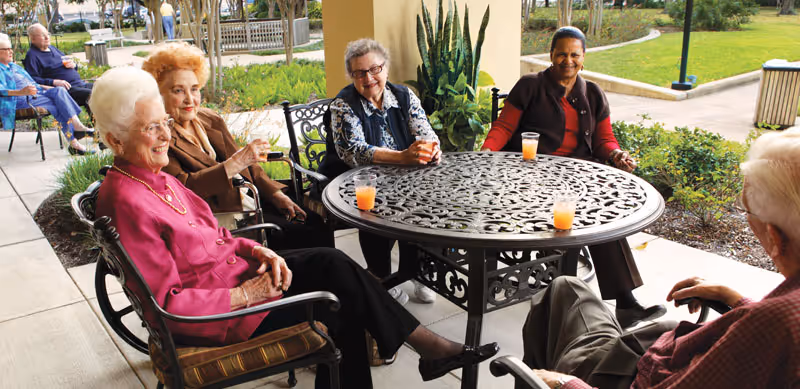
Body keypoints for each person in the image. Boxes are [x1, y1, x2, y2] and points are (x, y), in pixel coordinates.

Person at [89, 66, 499, 389]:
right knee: (339, 306)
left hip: (237, 279)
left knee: (331, 261)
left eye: (164, 122)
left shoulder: (153, 177)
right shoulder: (127, 201)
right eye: (151, 128)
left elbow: (215, 235)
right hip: (222, 315)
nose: (165, 136)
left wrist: (257, 251)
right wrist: (244, 293)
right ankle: (425, 346)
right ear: (115, 139)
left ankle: (426, 347)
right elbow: (168, 305)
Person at [518, 128, 800, 389]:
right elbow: (768, 344)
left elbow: (769, 334)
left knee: (562, 289)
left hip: (629, 376)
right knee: (569, 292)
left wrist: (562, 383)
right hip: (664, 349)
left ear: (775, 238)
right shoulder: (781, 315)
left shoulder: (773, 324)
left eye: (747, 211)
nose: (746, 217)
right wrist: (734, 299)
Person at [480, 26, 661, 328]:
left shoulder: (592, 93)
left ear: (583, 58)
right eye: (561, 53)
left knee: (604, 218)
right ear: (550, 55)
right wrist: (487, 152)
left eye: (574, 54)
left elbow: (605, 140)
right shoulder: (530, 86)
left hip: (579, 174)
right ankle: (557, 298)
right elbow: (504, 127)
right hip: (531, 173)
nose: (568, 60)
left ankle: (626, 303)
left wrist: (616, 155)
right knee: (559, 220)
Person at [141, 42, 331, 249]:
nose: (190, 99)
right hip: (225, 218)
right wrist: (234, 163)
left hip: (252, 197)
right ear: (158, 94)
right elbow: (184, 187)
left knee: (318, 220)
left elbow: (249, 165)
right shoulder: (160, 137)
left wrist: (275, 195)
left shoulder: (209, 119)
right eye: (178, 90)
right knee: (309, 238)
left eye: (194, 89)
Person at [327, 38, 442, 305]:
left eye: (375, 69)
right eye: (360, 73)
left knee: (426, 199)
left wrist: (432, 149)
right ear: (352, 76)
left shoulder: (403, 96)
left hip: (407, 177)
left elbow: (425, 133)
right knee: (374, 205)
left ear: (386, 69)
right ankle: (382, 277)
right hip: (357, 179)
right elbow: (353, 152)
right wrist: (402, 157)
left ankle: (418, 273)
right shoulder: (343, 105)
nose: (369, 78)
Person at [0, 33, 94, 155]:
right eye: (6, 49)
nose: (11, 51)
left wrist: (49, 87)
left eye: (10, 48)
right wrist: (21, 92)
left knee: (59, 92)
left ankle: (75, 138)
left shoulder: (14, 67)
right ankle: (76, 135)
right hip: (18, 101)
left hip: (35, 95)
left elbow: (34, 83)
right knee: (58, 104)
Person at [23, 23, 93, 108]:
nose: (47, 37)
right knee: (93, 95)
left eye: (47, 34)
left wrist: (74, 65)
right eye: (42, 35)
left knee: (105, 89)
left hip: (79, 84)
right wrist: (53, 82)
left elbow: (67, 62)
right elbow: (32, 79)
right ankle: (97, 120)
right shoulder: (32, 56)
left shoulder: (53, 49)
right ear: (33, 39)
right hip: (65, 90)